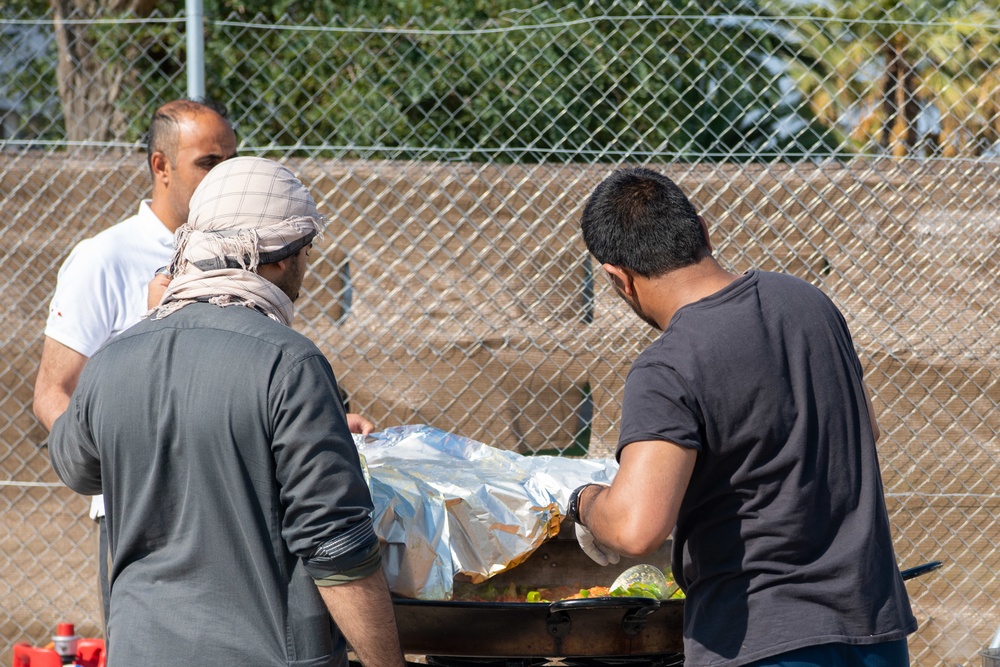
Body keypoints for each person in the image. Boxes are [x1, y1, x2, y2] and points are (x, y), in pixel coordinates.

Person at [47, 157, 406, 667]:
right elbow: (336, 547)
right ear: (279, 258)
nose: (307, 265)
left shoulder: (112, 360)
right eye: (306, 250)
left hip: (140, 650)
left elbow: (77, 466)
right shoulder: (290, 364)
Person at [566, 167, 916, 667]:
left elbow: (637, 527)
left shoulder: (666, 367)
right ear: (704, 231)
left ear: (617, 278)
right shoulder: (808, 302)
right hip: (873, 629)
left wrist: (586, 503)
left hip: (761, 640)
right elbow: (867, 429)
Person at [33, 99, 240, 630]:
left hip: (230, 503)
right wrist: (120, 472)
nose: (225, 177)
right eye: (208, 163)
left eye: (231, 161)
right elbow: (52, 395)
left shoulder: (240, 253)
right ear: (161, 166)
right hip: (142, 518)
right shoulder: (105, 258)